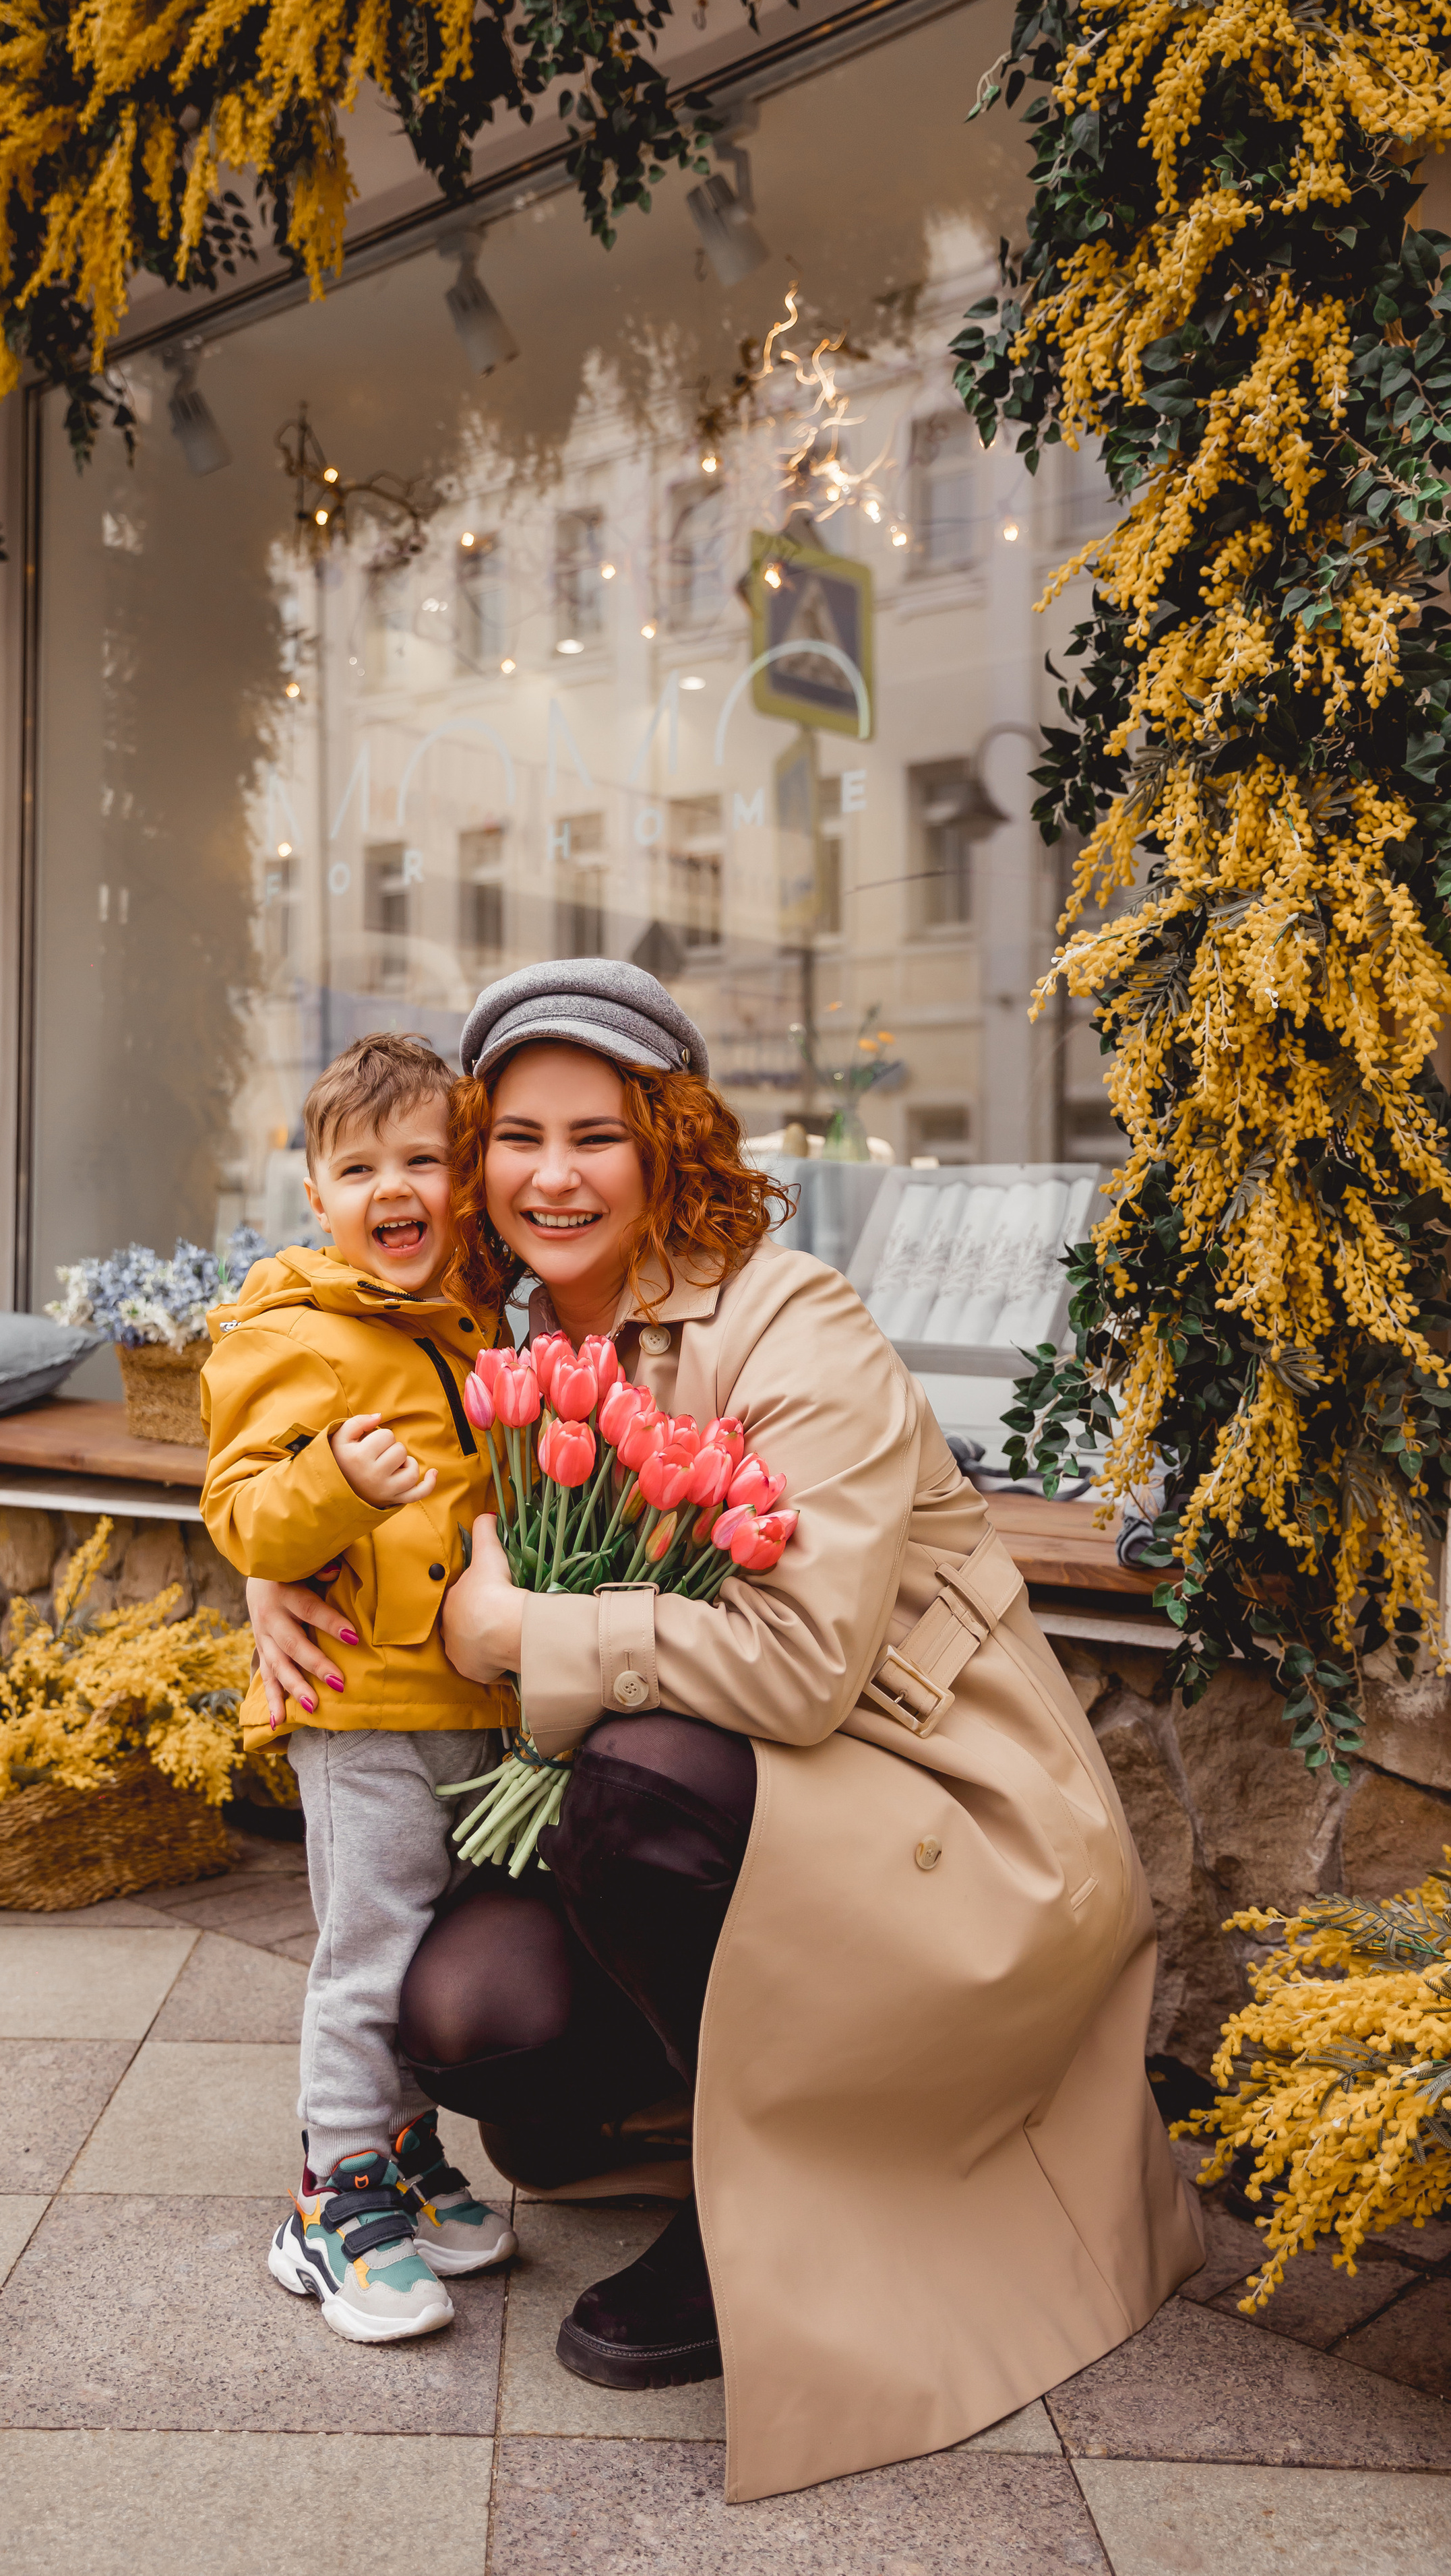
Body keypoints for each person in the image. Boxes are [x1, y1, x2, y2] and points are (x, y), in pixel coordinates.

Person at [246, 962, 1204, 2503]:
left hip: (919, 1818)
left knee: (636, 1782)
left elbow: (805, 1670)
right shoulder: (475, 1331)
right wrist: (266, 1564)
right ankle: (696, 2111)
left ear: (666, 1144)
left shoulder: (787, 1322)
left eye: (598, 1136)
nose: (551, 1177)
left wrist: (518, 1637)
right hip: (705, 1819)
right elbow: (315, 1434)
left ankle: (756, 2200)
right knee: (464, 2013)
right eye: (516, 1137)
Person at [199, 1032, 518, 2348]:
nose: (394, 1186)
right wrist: (336, 1479)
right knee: (368, 1953)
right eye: (358, 1165)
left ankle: (400, 2150)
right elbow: (247, 1520)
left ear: (462, 1178)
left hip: (469, 1709)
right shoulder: (295, 1334)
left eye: (422, 1160)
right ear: (316, 1192)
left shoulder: (469, 1321)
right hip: (361, 1711)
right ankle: (331, 2200)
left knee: (431, 1950)